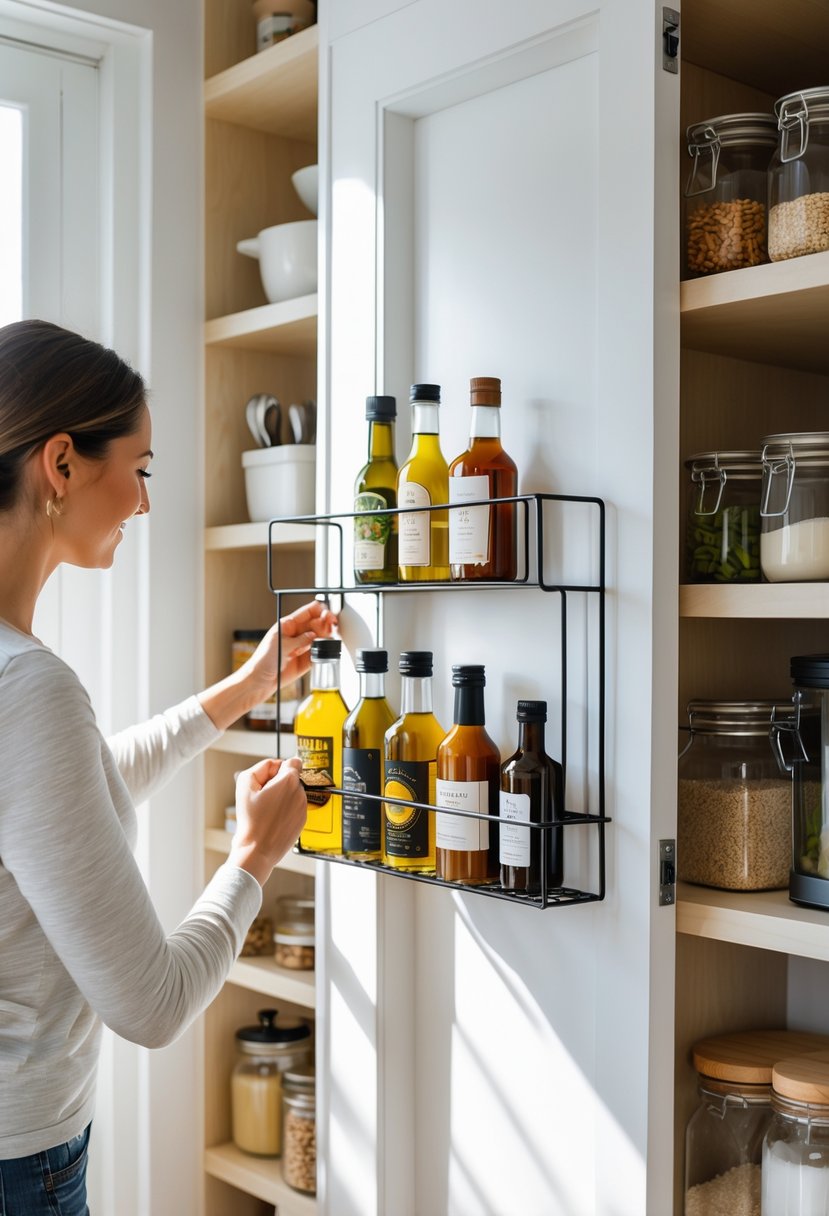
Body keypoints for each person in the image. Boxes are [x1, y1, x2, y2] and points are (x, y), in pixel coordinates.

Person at [0, 318, 336, 1214]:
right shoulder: (27, 687)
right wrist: (253, 859)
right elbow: (149, 1006)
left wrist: (241, 687)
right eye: (140, 469)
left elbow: (60, 800)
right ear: (62, 464)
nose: (145, 503)